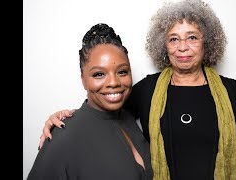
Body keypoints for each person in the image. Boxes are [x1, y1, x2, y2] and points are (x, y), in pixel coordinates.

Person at [38, 0, 236, 179]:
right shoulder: (149, 89)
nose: (182, 47)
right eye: (173, 39)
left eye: (192, 37)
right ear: (164, 45)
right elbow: (106, 112)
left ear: (206, 41)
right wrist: (65, 118)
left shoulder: (229, 89)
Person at [27, 23, 153, 180]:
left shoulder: (127, 118)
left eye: (122, 72)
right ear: (83, 80)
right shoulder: (62, 137)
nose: (113, 82)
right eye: (99, 74)